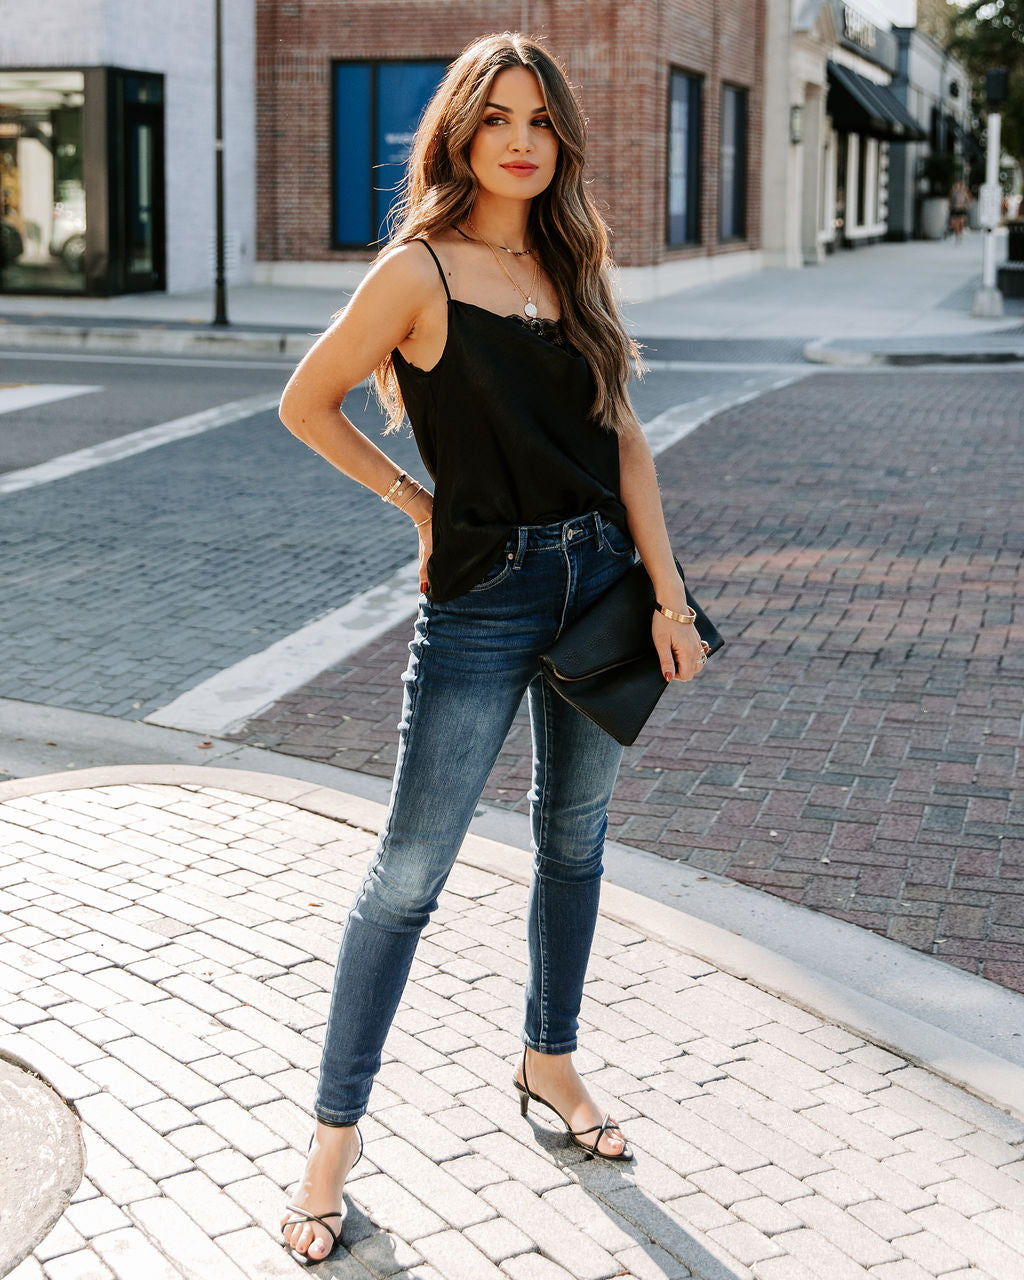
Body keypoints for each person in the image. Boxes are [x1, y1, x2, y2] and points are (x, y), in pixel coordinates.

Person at [276, 31, 708, 1265]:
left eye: (540, 121)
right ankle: (329, 1146)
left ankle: (549, 1059)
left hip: (602, 586)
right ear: (459, 133)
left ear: (560, 138)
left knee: (575, 841)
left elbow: (624, 437)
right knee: (406, 877)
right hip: (484, 594)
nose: (521, 140)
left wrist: (667, 600)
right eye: (496, 118)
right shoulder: (417, 271)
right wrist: (416, 504)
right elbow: (306, 403)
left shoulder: (573, 265)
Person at [949, 178, 971, 242]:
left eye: (959, 185)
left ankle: (960, 234)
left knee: (961, 222)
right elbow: (950, 200)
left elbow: (969, 199)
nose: (957, 186)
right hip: (955, 209)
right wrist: (950, 206)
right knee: (955, 223)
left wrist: (966, 205)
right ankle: (957, 234)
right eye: (956, 185)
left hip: (962, 209)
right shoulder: (953, 192)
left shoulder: (964, 192)